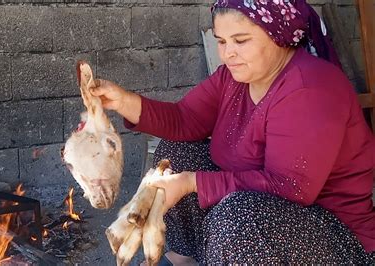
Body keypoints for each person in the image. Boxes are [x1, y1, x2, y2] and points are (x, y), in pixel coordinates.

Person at [90, 0, 375, 264]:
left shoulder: (309, 87)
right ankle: (185, 258)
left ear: (278, 35)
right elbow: (185, 119)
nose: (228, 53)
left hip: (335, 237)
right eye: (221, 41)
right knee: (176, 153)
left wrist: (193, 183)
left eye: (240, 41)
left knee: (237, 217)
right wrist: (122, 101)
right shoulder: (235, 76)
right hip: (262, 209)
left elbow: (288, 187)